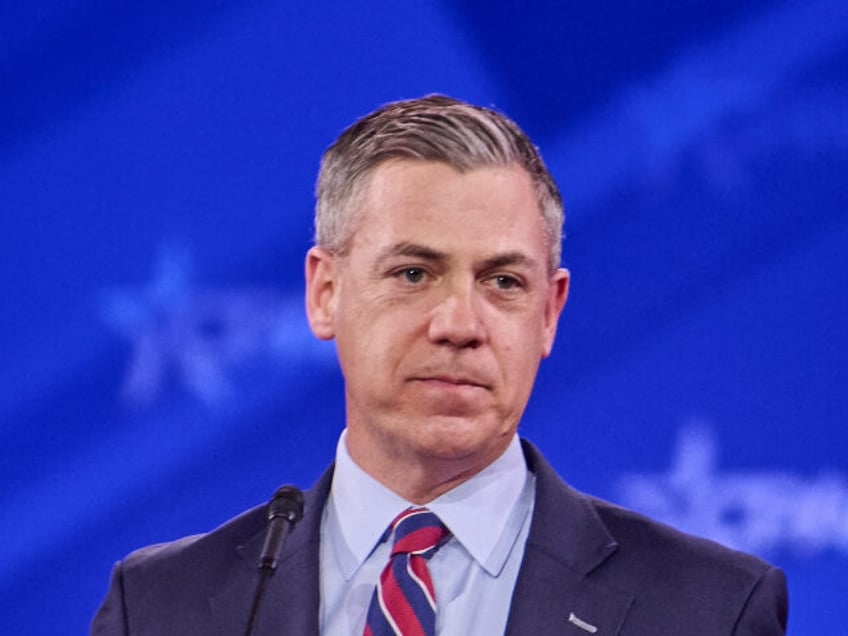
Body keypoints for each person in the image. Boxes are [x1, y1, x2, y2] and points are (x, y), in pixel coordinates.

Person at [91, 94, 788, 635]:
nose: (459, 325)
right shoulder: (158, 607)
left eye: (504, 283)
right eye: (414, 273)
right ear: (324, 293)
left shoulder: (710, 609)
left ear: (550, 312)